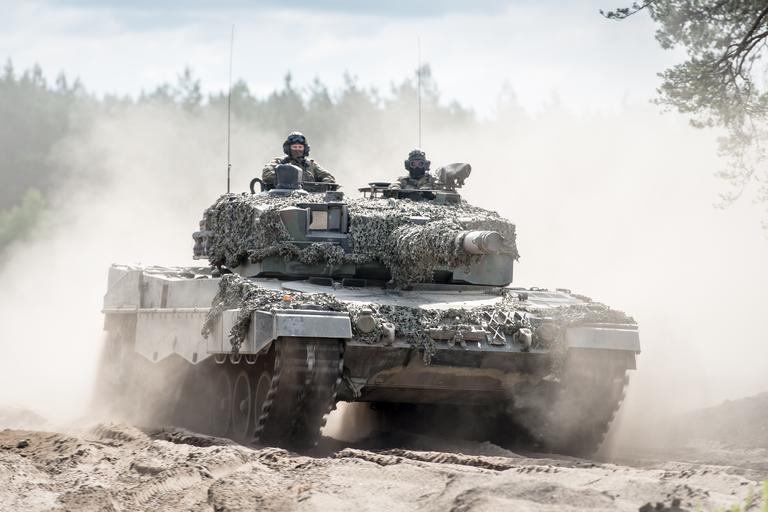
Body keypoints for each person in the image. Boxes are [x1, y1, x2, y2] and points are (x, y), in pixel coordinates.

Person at [262, 132, 335, 186]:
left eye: (300, 147)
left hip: (309, 196)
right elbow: (267, 171)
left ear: (305, 149)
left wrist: (318, 186)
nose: (297, 150)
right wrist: (283, 180)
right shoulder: (280, 162)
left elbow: (329, 177)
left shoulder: (310, 164)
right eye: (294, 147)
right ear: (288, 148)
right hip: (282, 194)